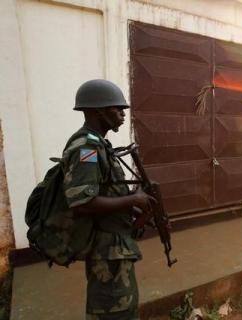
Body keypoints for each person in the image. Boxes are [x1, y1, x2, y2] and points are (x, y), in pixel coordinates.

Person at [62, 79, 155, 320]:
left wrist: (134, 202)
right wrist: (132, 201)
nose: (123, 114)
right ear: (97, 111)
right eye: (117, 109)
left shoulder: (100, 145)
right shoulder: (87, 148)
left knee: (124, 309)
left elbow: (104, 192)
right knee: (113, 312)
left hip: (115, 246)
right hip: (106, 251)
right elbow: (82, 202)